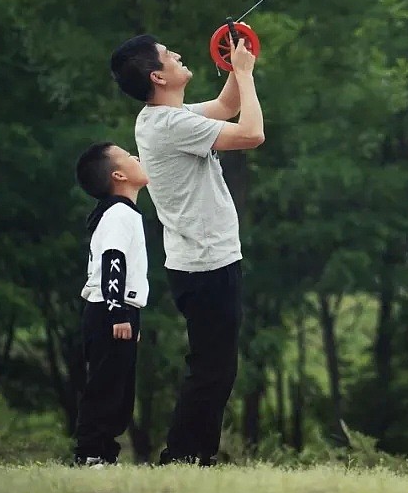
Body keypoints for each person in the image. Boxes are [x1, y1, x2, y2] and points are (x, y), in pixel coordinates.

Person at [109, 31, 264, 466]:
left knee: (213, 366)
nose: (179, 54)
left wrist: (236, 67)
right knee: (212, 370)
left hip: (202, 262)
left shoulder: (164, 117)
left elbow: (227, 107)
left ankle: (190, 454)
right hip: (206, 265)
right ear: (159, 75)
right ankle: (183, 456)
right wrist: (248, 75)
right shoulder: (170, 125)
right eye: (169, 54)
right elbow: (251, 134)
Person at [73, 142, 151, 466]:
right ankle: (92, 453)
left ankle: (104, 453)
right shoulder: (118, 213)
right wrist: (118, 312)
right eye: (128, 156)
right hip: (109, 307)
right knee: (105, 388)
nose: (136, 157)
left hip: (118, 307)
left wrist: (132, 317)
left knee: (119, 390)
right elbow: (113, 261)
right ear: (119, 175)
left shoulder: (121, 213)